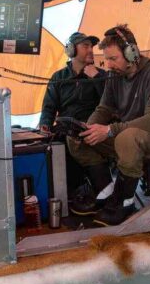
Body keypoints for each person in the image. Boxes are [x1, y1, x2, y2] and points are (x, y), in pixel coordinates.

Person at [68, 25, 150, 226]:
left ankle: (125, 203)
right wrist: (89, 128)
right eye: (106, 59)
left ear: (131, 53)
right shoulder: (114, 75)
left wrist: (109, 130)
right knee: (76, 136)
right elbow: (104, 109)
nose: (108, 65)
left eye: (113, 58)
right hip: (127, 136)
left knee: (127, 138)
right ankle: (106, 194)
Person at [38, 31, 105, 195]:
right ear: (71, 50)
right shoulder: (58, 77)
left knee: (74, 141)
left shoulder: (101, 75)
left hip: (91, 127)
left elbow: (110, 103)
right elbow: (49, 107)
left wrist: (96, 78)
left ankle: (88, 191)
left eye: (92, 46)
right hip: (65, 128)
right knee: (50, 145)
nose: (90, 50)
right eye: (85, 46)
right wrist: (45, 125)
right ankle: (63, 193)